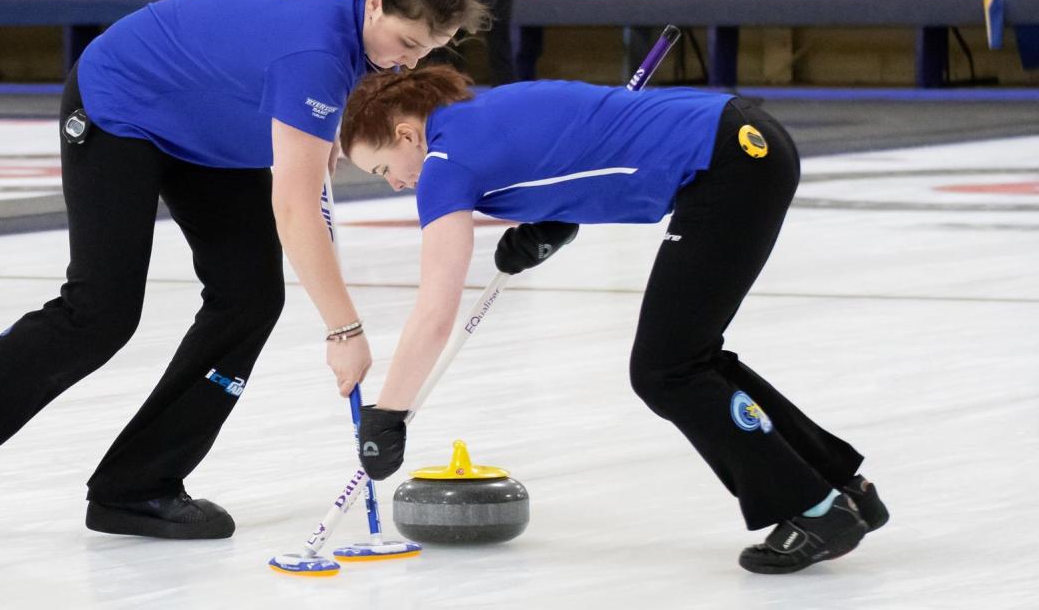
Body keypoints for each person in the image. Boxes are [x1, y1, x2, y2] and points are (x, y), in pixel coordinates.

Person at [0, 0, 489, 542]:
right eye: (407, 42)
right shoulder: (317, 49)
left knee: (248, 297)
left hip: (206, 132)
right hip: (121, 106)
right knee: (100, 310)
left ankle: (137, 486)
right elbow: (294, 209)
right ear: (375, 2)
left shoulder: (355, 34)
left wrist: (321, 136)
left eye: (428, 50)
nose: (409, 61)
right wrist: (344, 329)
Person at [340, 67, 889, 574]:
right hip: (744, 143)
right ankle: (841, 487)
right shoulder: (492, 108)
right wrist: (556, 216)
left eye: (384, 166)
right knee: (691, 360)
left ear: (408, 133)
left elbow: (437, 309)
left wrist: (389, 413)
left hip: (726, 165)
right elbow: (587, 140)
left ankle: (816, 509)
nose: (393, 183)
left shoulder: (443, 164)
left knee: (666, 370)